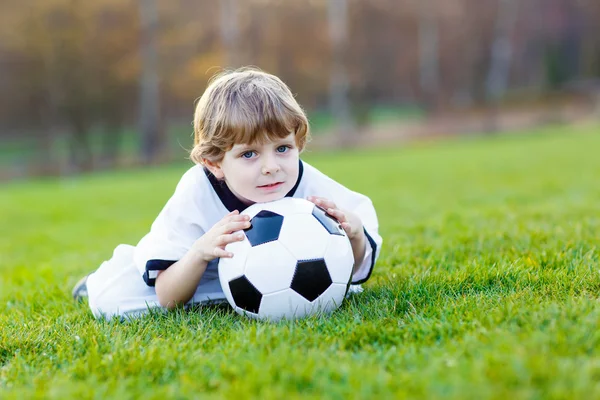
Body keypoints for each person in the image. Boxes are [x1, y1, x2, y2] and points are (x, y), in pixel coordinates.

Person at [72, 68, 382, 320]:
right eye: (249, 154)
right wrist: (200, 252)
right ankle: (94, 283)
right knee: (110, 301)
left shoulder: (309, 183)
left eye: (283, 148)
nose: (271, 167)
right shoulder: (197, 192)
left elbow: (352, 267)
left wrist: (352, 233)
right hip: (194, 274)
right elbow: (167, 295)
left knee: (346, 286)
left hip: (279, 270)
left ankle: (261, 288)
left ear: (298, 143)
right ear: (214, 163)